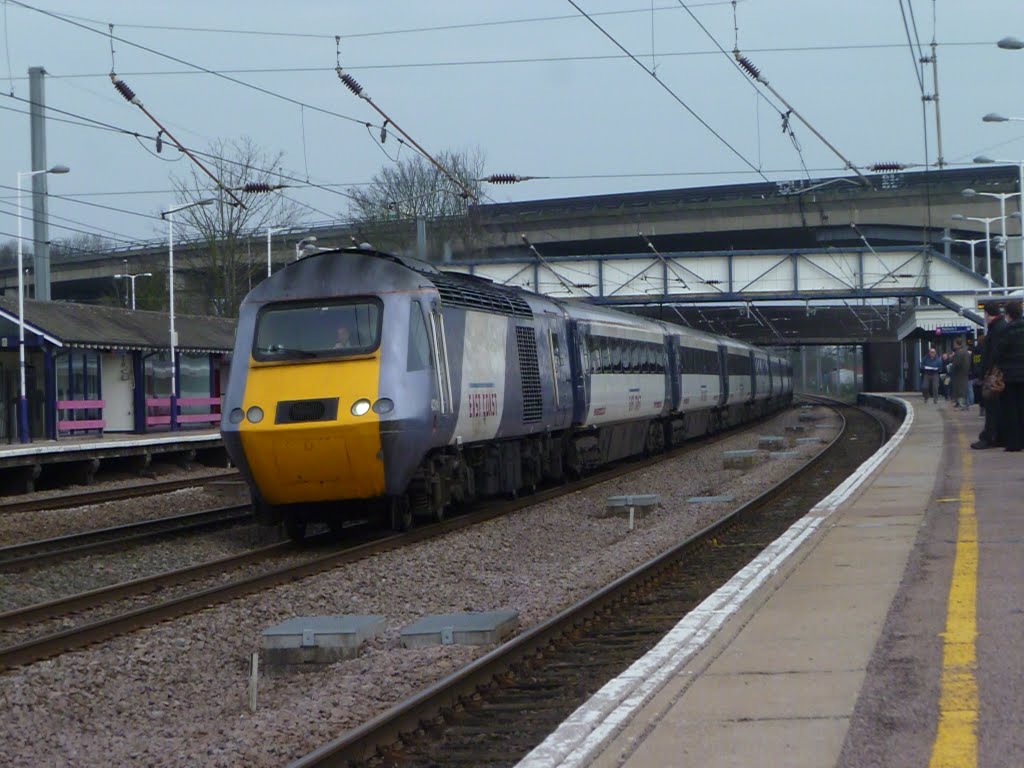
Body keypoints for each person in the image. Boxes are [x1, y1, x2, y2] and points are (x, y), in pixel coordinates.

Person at [972, 301, 1008, 449]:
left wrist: (983, 373)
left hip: (994, 375)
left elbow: (992, 354)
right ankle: (997, 436)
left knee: (991, 407)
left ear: (987, 314)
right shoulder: (1002, 327)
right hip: (999, 373)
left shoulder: (996, 330)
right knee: (997, 408)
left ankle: (990, 437)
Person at [993, 300, 1024, 452]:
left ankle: (1014, 443)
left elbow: (998, 352)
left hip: (1010, 376)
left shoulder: (1007, 331)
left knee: (1011, 410)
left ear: (1009, 314)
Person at [950, 338, 970, 410]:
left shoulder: (959, 353)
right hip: (964, 373)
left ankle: (962, 404)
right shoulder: (966, 352)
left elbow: (956, 364)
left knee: (960, 389)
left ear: (957, 344)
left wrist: (952, 366)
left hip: (959, 374)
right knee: (963, 388)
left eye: (954, 343)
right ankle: (961, 403)